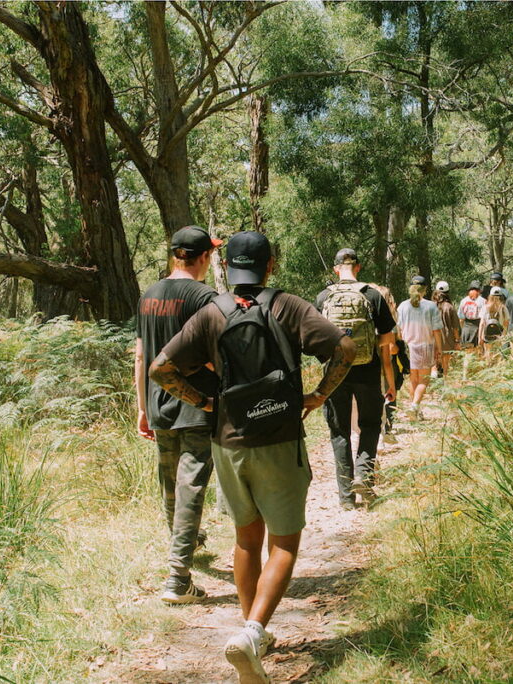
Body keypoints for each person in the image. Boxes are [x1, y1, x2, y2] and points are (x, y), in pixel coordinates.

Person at [149, 230, 357, 684]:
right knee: (284, 541)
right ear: (271, 264)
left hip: (228, 441)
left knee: (246, 538)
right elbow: (345, 348)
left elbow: (160, 368)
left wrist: (206, 404)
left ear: (228, 267)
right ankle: (254, 631)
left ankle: (251, 630)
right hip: (280, 437)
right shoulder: (289, 306)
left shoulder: (211, 313)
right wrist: (319, 394)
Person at [134, 225, 221, 605]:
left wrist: (141, 406)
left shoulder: (149, 294)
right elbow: (215, 356)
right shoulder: (206, 297)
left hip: (157, 401)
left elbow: (141, 355)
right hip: (197, 402)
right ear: (203, 257)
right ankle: (177, 577)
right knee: (191, 485)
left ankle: (183, 547)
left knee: (170, 482)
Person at [315, 248, 397, 509]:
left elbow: (315, 337)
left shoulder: (323, 296)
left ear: (336, 269)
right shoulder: (372, 294)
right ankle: (364, 475)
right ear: (358, 268)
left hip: (335, 372)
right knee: (371, 424)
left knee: (339, 431)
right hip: (367, 369)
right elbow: (387, 338)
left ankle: (346, 497)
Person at [397, 284, 443, 420]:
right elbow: (436, 330)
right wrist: (439, 349)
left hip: (407, 347)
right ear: (424, 291)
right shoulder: (430, 306)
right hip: (425, 346)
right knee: (424, 380)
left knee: (413, 380)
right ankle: (414, 406)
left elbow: (398, 328)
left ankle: (415, 413)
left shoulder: (402, 306)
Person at [367, 283, 403, 444]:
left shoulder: (365, 319)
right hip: (378, 372)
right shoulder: (385, 323)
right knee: (379, 409)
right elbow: (389, 356)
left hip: (355, 369)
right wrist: (392, 386)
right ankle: (380, 441)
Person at [432, 281, 460, 377]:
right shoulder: (450, 307)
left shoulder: (431, 306)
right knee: (446, 361)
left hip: (432, 337)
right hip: (447, 338)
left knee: (434, 360)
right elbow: (455, 326)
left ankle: (432, 381)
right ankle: (445, 381)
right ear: (448, 292)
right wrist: (457, 340)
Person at [480, 289, 510, 361]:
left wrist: (480, 337)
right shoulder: (503, 308)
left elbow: (482, 324)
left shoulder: (485, 307)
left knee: (488, 355)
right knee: (499, 357)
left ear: (490, 296)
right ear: (501, 296)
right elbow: (506, 323)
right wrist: (503, 336)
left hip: (487, 336)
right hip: (499, 336)